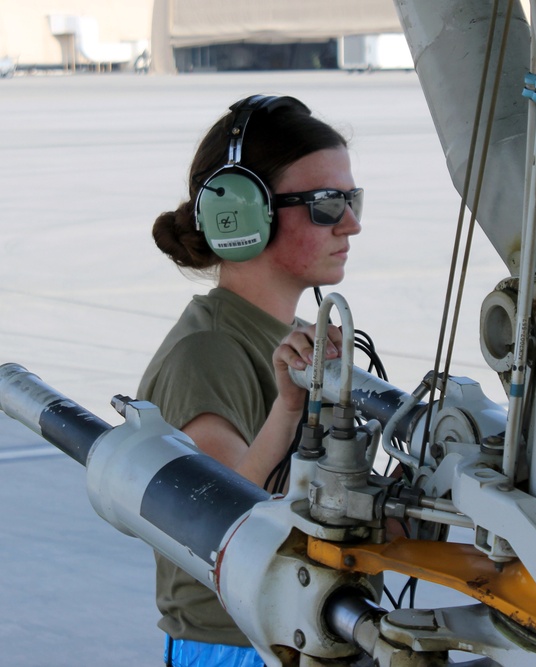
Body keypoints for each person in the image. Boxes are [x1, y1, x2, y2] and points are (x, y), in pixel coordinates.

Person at [137, 94, 362, 667]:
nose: (351, 224)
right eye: (327, 204)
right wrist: (288, 411)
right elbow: (224, 513)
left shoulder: (281, 335)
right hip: (239, 647)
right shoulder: (209, 351)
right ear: (242, 214)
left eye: (351, 199)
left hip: (292, 632)